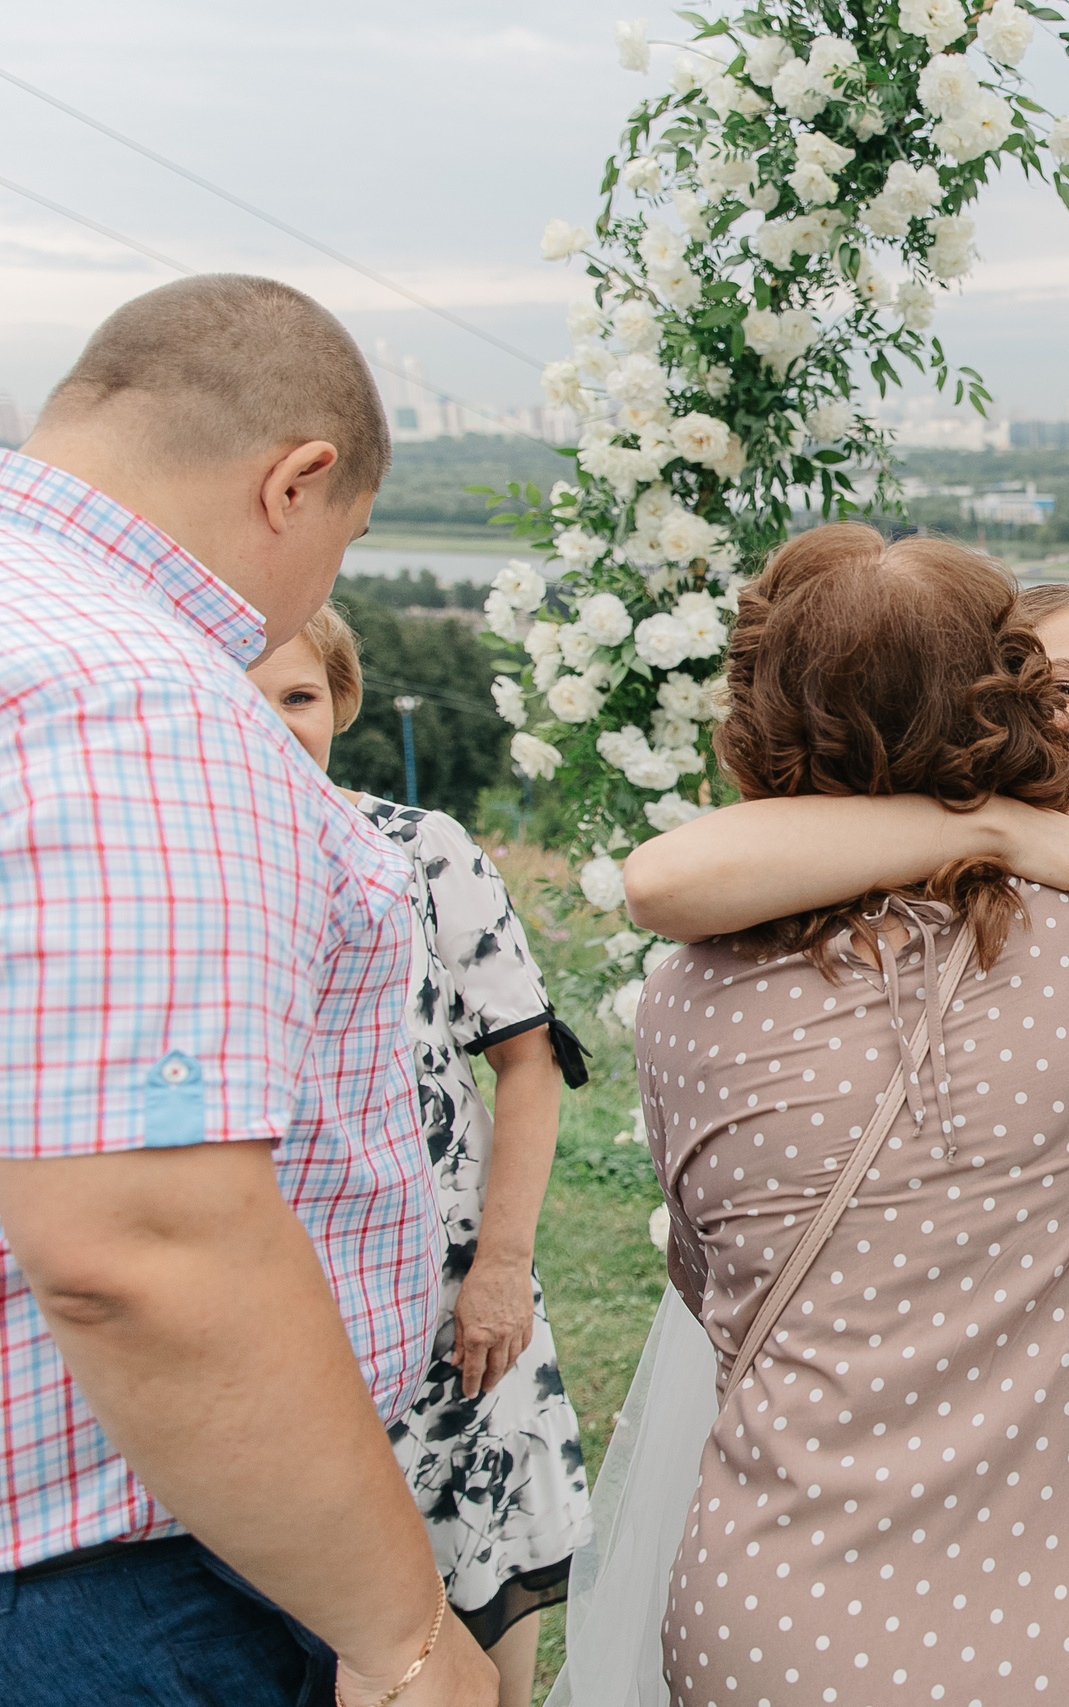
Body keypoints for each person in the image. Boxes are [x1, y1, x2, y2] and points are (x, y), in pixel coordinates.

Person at [602, 576, 1069, 1706]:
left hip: (784, 1609)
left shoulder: (689, 996)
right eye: (1066, 690)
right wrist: (1002, 832)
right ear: (988, 709)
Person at [0, 275, 496, 1704]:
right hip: (98, 1587)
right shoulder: (135, 697)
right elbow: (143, 1248)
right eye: (333, 556)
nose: (305, 609)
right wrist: (402, 1633)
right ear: (299, 483)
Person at [247, 607, 596, 1707]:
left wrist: (500, 1267)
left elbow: (529, 1064)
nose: (276, 722)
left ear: (340, 703)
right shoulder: (167, 872)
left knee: (477, 1582)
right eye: (243, 696)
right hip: (278, 1305)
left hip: (453, 1300)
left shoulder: (424, 848)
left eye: (299, 696)